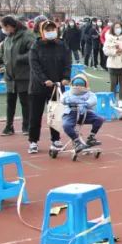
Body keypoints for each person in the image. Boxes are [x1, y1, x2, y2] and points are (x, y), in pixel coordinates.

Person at [0, 16, 33, 136]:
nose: (3, 30)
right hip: (10, 76)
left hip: (24, 76)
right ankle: (9, 126)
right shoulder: (7, 39)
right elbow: (1, 57)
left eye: (4, 27)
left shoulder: (27, 36)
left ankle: (26, 126)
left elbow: (33, 52)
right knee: (10, 103)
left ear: (10, 26)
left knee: (25, 103)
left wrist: (19, 58)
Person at [27, 20, 71, 155]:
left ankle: (56, 139)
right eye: (47, 30)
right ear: (42, 31)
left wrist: (66, 77)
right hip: (38, 87)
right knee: (35, 115)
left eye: (53, 29)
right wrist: (44, 80)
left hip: (56, 86)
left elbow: (67, 63)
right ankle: (33, 141)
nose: (50, 32)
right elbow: (35, 66)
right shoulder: (36, 46)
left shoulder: (62, 45)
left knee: (55, 114)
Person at [61, 74, 104, 153]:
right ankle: (76, 141)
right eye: (76, 85)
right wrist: (68, 100)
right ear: (72, 85)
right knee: (66, 125)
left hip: (85, 113)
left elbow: (93, 100)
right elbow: (63, 99)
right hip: (71, 113)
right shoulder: (68, 93)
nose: (77, 87)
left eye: (80, 85)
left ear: (85, 85)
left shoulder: (89, 93)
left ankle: (91, 137)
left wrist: (86, 104)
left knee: (99, 119)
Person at [102, 21, 122, 108]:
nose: (117, 29)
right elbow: (105, 51)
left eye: (119, 27)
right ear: (113, 29)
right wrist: (115, 51)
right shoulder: (109, 38)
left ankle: (120, 100)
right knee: (113, 83)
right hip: (112, 64)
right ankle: (112, 99)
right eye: (116, 27)